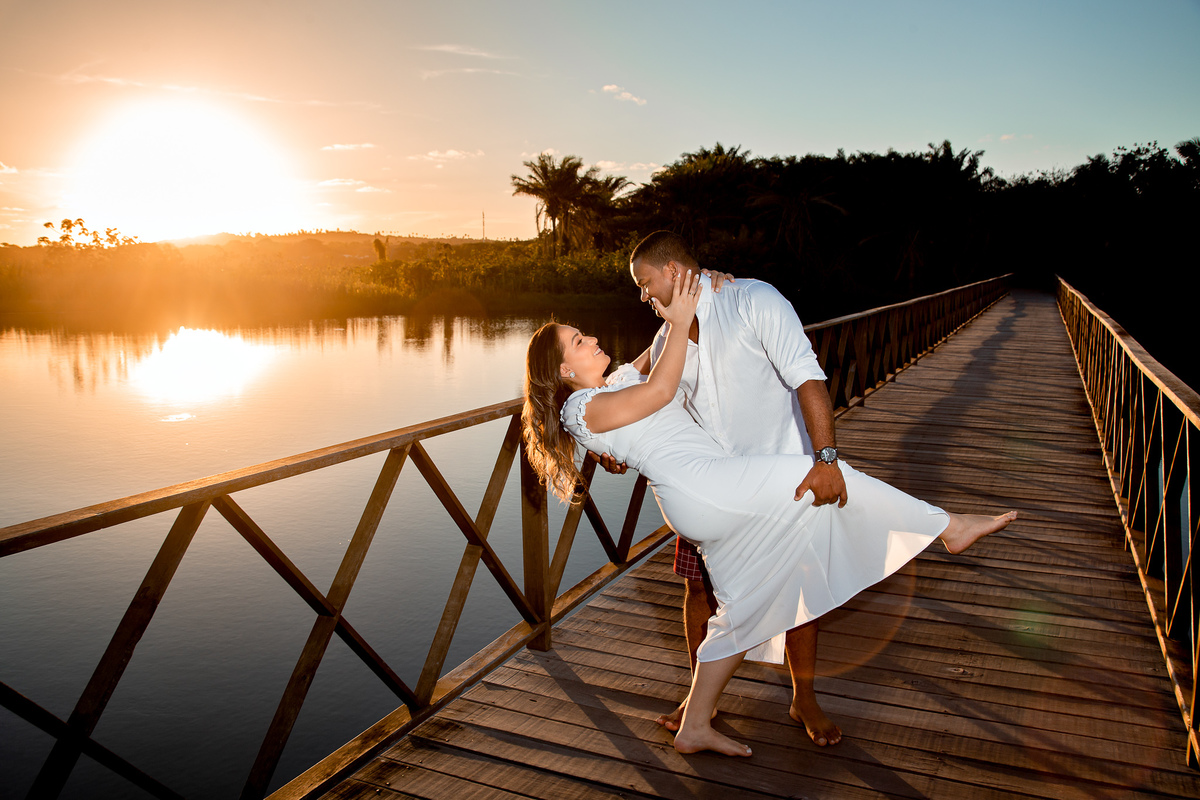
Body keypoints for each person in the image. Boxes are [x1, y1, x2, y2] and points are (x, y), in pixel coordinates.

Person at [522, 266, 1016, 757]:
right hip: (705, 488)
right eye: (579, 341)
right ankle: (947, 527)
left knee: (739, 612)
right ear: (565, 371)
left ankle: (694, 725)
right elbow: (661, 391)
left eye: (584, 333)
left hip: (707, 494)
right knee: (816, 476)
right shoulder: (580, 408)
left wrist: (697, 288)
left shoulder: (617, 380)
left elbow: (654, 357)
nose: (590, 339)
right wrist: (683, 314)